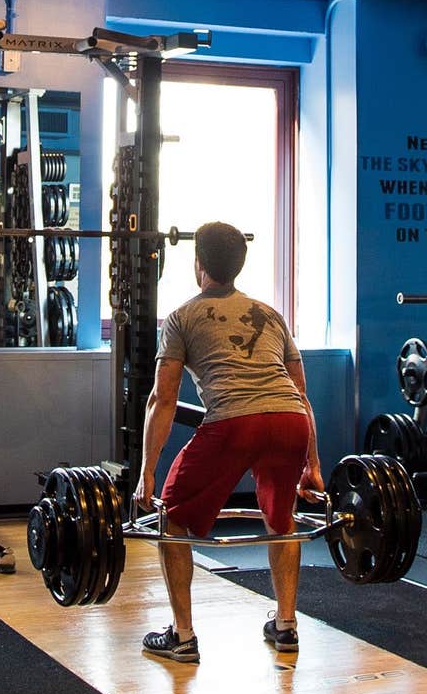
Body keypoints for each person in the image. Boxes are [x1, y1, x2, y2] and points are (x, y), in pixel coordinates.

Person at [134, 221, 323, 663]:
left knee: (171, 517)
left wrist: (147, 472)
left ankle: (182, 636)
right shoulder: (270, 314)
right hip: (290, 422)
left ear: (198, 264)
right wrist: (313, 464)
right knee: (282, 520)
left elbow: (163, 399)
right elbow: (300, 394)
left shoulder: (181, 318)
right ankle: (286, 625)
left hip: (235, 423)